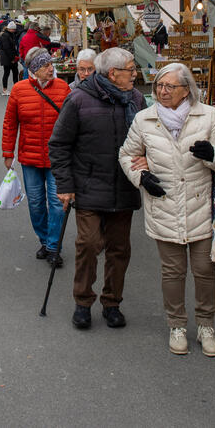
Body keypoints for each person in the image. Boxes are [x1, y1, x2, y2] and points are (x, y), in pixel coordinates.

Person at [118, 62, 215, 357]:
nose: (162, 91)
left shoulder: (208, 116)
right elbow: (127, 154)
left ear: (186, 90)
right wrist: (142, 178)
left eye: (170, 86)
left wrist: (213, 155)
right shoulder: (145, 119)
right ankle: (177, 325)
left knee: (206, 270)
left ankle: (206, 325)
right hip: (164, 204)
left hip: (201, 205)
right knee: (173, 272)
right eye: (158, 85)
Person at [50, 47, 145, 329]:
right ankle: (82, 301)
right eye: (130, 69)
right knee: (88, 244)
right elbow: (59, 144)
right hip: (89, 185)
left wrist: (147, 158)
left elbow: (148, 138)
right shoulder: (78, 99)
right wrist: (65, 185)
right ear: (113, 74)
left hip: (124, 186)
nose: (135, 74)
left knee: (119, 249)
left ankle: (112, 302)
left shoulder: (137, 99)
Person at [2, 46, 71, 267]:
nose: (51, 68)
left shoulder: (63, 88)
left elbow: (73, 124)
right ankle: (44, 239)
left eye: (51, 64)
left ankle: (53, 246)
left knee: (57, 202)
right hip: (29, 157)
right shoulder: (19, 90)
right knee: (36, 203)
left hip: (57, 159)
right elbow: (10, 123)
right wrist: (7, 152)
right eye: (45, 65)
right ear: (33, 70)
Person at [0, 21, 20, 90]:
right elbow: (7, 48)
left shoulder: (11, 35)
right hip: (7, 57)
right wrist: (12, 59)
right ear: (9, 29)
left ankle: (16, 87)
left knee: (15, 73)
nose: (14, 30)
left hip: (11, 57)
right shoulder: (5, 35)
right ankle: (5, 89)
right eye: (13, 29)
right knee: (7, 73)